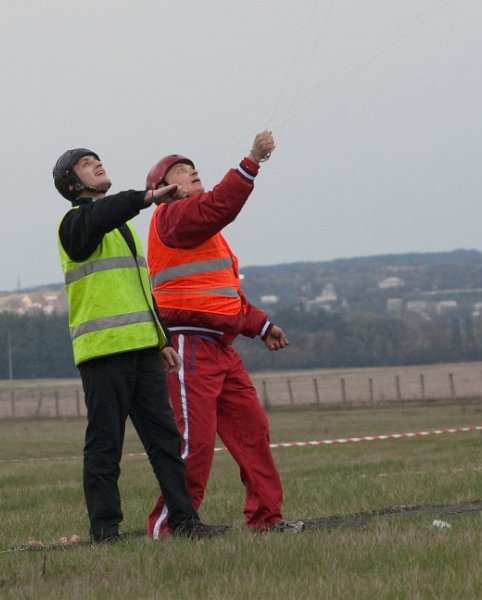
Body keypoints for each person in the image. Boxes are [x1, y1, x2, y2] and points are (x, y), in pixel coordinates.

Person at [53, 148, 226, 543]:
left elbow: (138, 290)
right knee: (105, 447)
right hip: (103, 353)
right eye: (86, 164)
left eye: (97, 159)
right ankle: (105, 531)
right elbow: (103, 213)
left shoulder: (121, 228)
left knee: (166, 442)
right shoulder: (75, 224)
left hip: (143, 349)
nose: (98, 164)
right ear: (72, 184)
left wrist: (160, 338)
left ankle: (185, 521)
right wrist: (146, 198)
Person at [144, 132, 303, 538]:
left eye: (193, 167)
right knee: (192, 443)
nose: (192, 171)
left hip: (220, 347)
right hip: (188, 348)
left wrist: (262, 325)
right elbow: (220, 205)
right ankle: (169, 527)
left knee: (253, 432)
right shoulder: (172, 216)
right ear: (163, 190)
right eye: (180, 170)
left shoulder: (204, 231)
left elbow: (223, 298)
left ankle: (266, 520)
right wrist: (251, 161)